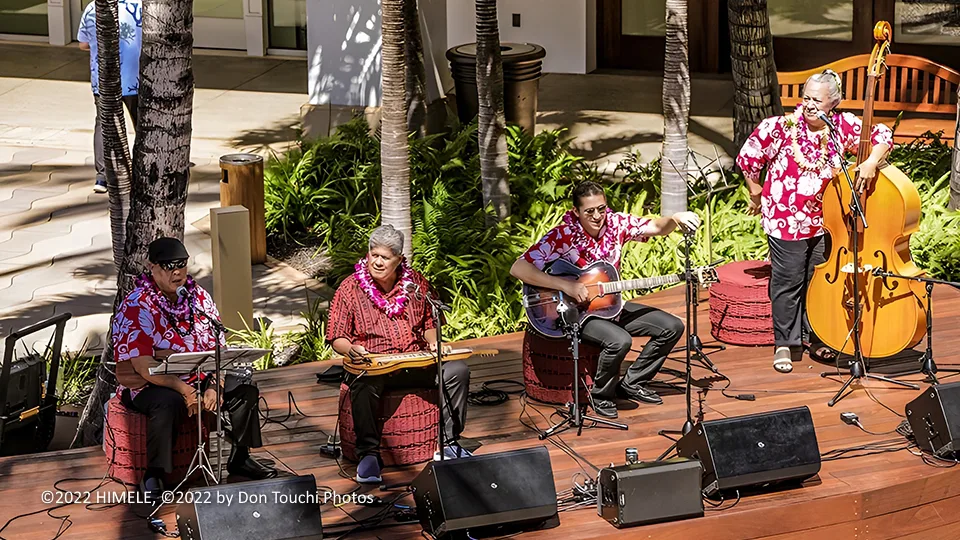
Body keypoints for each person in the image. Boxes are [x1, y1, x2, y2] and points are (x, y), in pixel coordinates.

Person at [736, 69, 893, 374]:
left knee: (818, 281)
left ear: (834, 103)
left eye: (817, 100)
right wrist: (755, 191)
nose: (808, 104)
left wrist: (871, 161)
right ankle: (785, 342)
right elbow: (749, 157)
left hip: (826, 220)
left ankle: (816, 336)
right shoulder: (780, 127)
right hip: (785, 219)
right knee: (788, 281)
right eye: (805, 98)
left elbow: (883, 135)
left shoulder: (843, 127)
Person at [510, 181, 701, 419]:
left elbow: (656, 227)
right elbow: (519, 268)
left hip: (610, 306)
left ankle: (632, 383)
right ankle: (600, 395)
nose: (598, 216)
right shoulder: (562, 236)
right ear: (576, 211)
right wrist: (566, 285)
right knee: (620, 341)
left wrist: (675, 218)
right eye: (589, 211)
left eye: (602, 208)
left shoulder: (617, 224)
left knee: (672, 327)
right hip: (576, 311)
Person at [112, 237, 276, 502]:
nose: (176, 272)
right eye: (168, 266)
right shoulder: (136, 305)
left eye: (181, 265)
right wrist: (184, 389)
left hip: (201, 375)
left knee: (245, 389)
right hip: (151, 383)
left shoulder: (198, 297)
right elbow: (144, 367)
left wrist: (215, 386)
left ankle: (240, 458)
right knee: (168, 403)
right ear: (151, 267)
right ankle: (154, 474)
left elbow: (219, 348)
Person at [326, 225, 471, 484]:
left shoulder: (416, 284)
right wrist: (352, 350)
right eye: (374, 255)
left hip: (415, 362)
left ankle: (449, 442)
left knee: (457, 371)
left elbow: (429, 324)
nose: (378, 262)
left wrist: (434, 343)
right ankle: (368, 455)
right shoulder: (350, 289)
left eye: (385, 257)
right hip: (375, 365)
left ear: (400, 260)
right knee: (362, 381)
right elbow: (337, 337)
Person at [77, 0, 142, 194]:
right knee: (142, 124)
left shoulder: (92, 7)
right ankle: (143, 170)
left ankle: (103, 177)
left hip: (103, 79)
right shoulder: (139, 6)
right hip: (135, 78)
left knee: (104, 125)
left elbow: (83, 44)